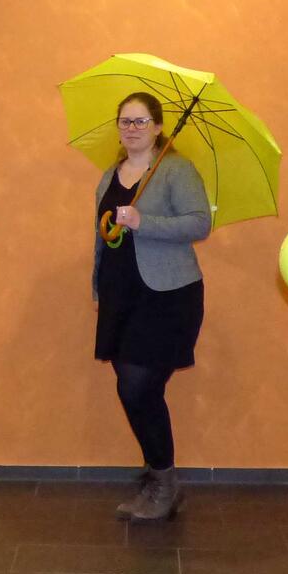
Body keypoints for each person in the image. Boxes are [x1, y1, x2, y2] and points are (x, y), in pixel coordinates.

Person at [94, 92, 211, 522]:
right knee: (134, 387)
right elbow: (101, 235)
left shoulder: (176, 170)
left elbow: (200, 222)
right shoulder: (109, 174)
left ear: (159, 127)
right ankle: (156, 472)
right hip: (120, 294)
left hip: (168, 295)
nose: (132, 129)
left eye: (141, 121)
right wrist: (98, 287)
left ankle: (164, 483)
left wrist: (144, 222)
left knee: (138, 387)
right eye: (125, 121)